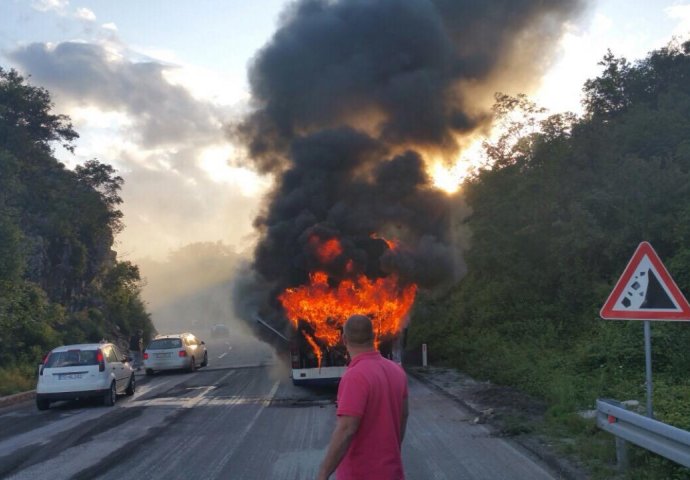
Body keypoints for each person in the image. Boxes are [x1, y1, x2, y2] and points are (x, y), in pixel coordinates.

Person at [317, 314, 409, 480]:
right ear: (373, 337)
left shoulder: (355, 377)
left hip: (361, 474)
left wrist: (323, 473)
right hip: (392, 472)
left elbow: (346, 429)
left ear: (344, 339)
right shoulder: (397, 371)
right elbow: (404, 415)